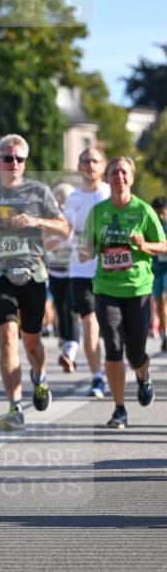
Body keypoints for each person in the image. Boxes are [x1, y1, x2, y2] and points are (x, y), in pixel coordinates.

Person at [0, 134, 69, 431]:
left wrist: (36, 222)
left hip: (32, 273)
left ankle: (40, 375)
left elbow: (64, 227)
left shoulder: (38, 191)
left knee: (31, 343)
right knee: (7, 339)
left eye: (20, 158)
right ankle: (15, 406)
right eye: (9, 158)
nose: (15, 163)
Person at [81, 156, 166, 429]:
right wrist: (85, 251)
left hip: (138, 288)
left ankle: (143, 376)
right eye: (114, 172)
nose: (119, 177)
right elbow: (88, 246)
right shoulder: (97, 212)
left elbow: (163, 245)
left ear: (131, 176)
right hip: (106, 288)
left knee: (136, 353)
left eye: (124, 172)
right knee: (113, 348)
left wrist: (145, 245)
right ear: (107, 178)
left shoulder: (143, 211)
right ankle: (119, 409)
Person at [62, 147, 111, 396]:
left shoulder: (110, 194)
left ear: (103, 166)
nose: (90, 165)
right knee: (90, 323)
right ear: (80, 166)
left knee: (113, 328)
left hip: (111, 270)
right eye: (85, 161)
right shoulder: (73, 198)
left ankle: (116, 365)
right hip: (80, 271)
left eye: (95, 160)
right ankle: (97, 377)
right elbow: (65, 230)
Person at [44, 182, 78, 371]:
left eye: (66, 197)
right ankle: (66, 341)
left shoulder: (78, 214)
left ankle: (70, 351)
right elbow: (45, 241)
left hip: (74, 271)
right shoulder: (50, 216)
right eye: (60, 197)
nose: (63, 201)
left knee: (71, 308)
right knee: (59, 307)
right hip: (56, 270)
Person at [150, 196, 167, 352]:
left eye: (162, 212)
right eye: (158, 213)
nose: (161, 216)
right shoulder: (152, 225)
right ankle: (164, 334)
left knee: (165, 300)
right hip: (156, 270)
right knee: (160, 305)